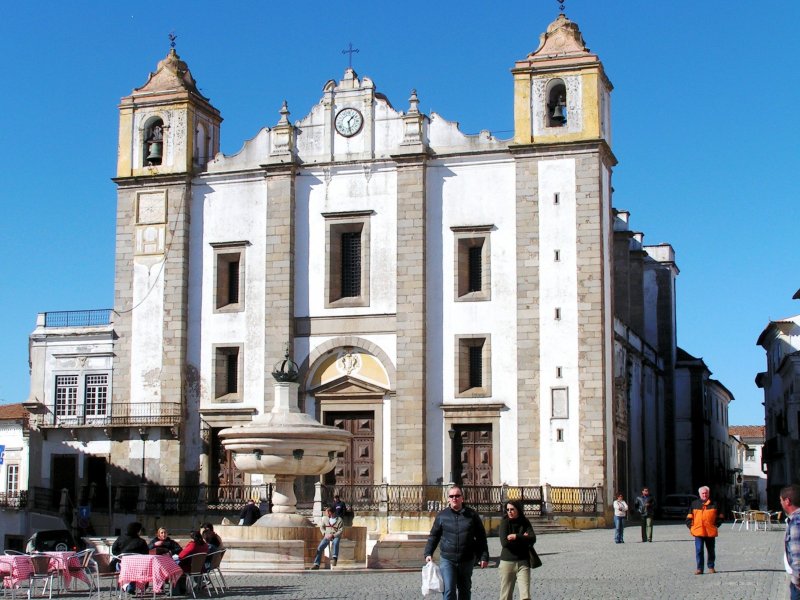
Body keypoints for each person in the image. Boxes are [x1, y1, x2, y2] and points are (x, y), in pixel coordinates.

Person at [424, 485, 489, 600]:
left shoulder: (472, 515)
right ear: (448, 499)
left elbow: (481, 537)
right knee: (449, 590)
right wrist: (428, 553)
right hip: (448, 559)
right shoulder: (442, 516)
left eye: (457, 496)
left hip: (467, 559)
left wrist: (483, 556)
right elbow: (434, 536)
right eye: (452, 496)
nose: (455, 498)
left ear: (462, 498)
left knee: (465, 590)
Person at [498, 499, 535, 600]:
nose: (509, 511)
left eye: (512, 509)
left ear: (518, 509)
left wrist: (516, 537)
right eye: (507, 509)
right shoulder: (504, 522)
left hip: (523, 563)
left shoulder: (525, 521)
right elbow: (504, 543)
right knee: (505, 596)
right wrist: (523, 538)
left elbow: (532, 538)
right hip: (507, 563)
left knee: (525, 596)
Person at [686, 485, 723, 575]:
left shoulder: (715, 504)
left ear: (708, 493)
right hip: (698, 531)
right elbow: (689, 517)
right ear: (699, 494)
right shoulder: (694, 504)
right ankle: (699, 568)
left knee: (711, 551)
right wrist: (691, 527)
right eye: (703, 493)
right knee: (699, 550)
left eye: (706, 493)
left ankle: (711, 567)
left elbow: (721, 516)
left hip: (710, 532)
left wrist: (716, 525)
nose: (704, 494)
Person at [111, 521, 149, 594]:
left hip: (121, 565)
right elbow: (145, 555)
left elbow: (114, 550)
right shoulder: (141, 541)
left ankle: (127, 586)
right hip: (137, 567)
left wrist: (122, 556)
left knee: (125, 570)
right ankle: (134, 586)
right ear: (137, 530)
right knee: (141, 569)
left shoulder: (120, 538)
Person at [780, 484, 800, 600]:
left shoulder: (797, 522)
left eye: (781, 500)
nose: (781, 503)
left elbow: (797, 555)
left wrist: (797, 580)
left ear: (787, 501)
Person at [175, 531, 209, 595]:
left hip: (190, 568)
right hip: (200, 568)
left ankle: (177, 590)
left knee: (175, 566)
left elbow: (181, 556)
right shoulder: (205, 545)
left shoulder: (193, 545)